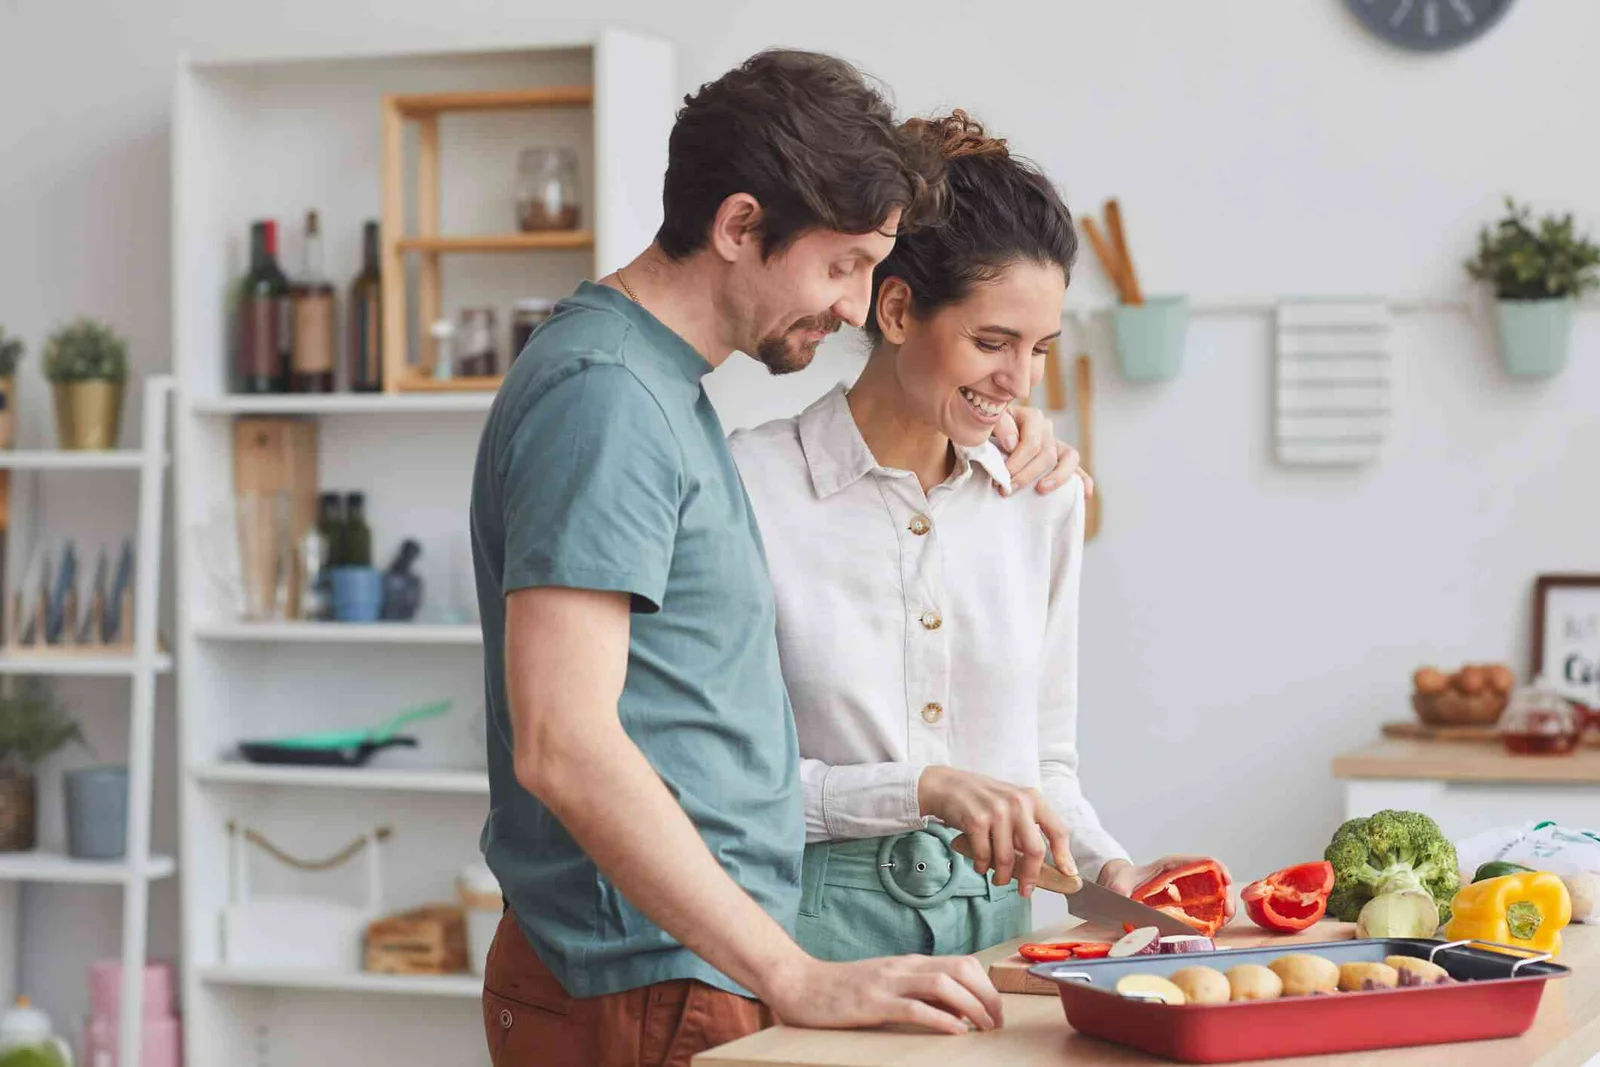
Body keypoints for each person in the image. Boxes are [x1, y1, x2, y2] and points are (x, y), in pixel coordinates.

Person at [469, 52, 1086, 1067]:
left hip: (683, 967)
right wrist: (792, 971)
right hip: (643, 973)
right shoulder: (605, 397)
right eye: (842, 266)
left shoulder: (655, 390)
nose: (853, 307)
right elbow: (562, 743)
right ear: (739, 225)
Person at [727, 112, 1233, 962]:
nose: (1019, 380)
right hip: (801, 937)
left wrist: (1112, 869)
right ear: (896, 309)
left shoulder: (1042, 496)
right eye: (992, 342)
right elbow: (721, 785)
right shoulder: (748, 486)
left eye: (1040, 349)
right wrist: (918, 789)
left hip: (999, 938)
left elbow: (1045, 764)